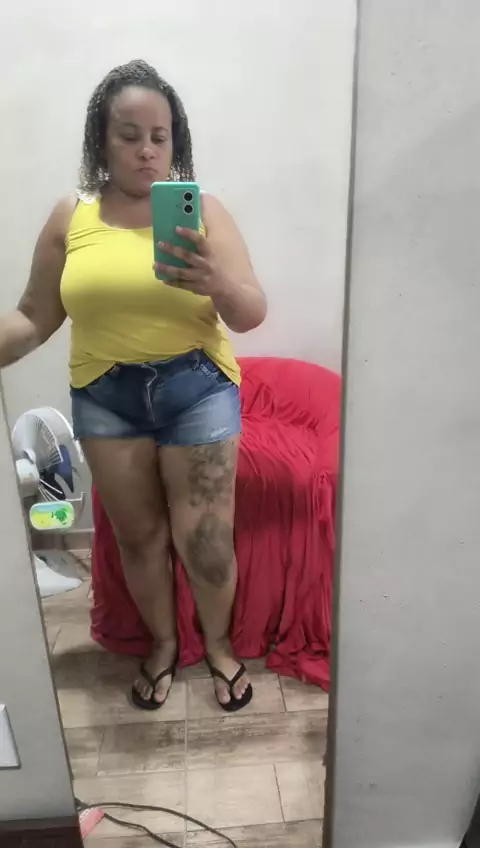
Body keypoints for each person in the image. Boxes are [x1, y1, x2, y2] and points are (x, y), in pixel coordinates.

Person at [0, 59, 267, 712]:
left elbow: (250, 312)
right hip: (105, 399)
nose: (147, 150)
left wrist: (217, 282)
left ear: (175, 142)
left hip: (197, 390)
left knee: (206, 541)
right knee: (139, 538)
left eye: (160, 136)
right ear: (102, 140)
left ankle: (219, 646)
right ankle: (164, 644)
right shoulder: (72, 216)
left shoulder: (203, 211)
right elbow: (33, 317)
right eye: (129, 135)